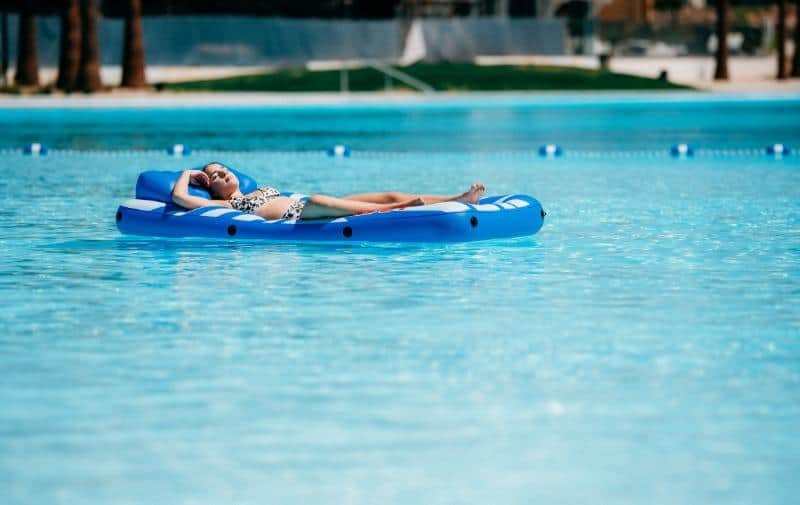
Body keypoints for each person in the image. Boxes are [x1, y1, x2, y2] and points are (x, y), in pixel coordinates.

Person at [171, 162, 486, 220]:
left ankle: (456, 199)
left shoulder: (256, 188)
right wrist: (188, 173)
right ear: (208, 186)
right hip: (299, 215)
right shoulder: (227, 206)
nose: (223, 173)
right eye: (214, 175)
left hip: (304, 203)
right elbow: (180, 198)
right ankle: (405, 207)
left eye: (224, 168)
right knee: (320, 200)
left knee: (387, 192)